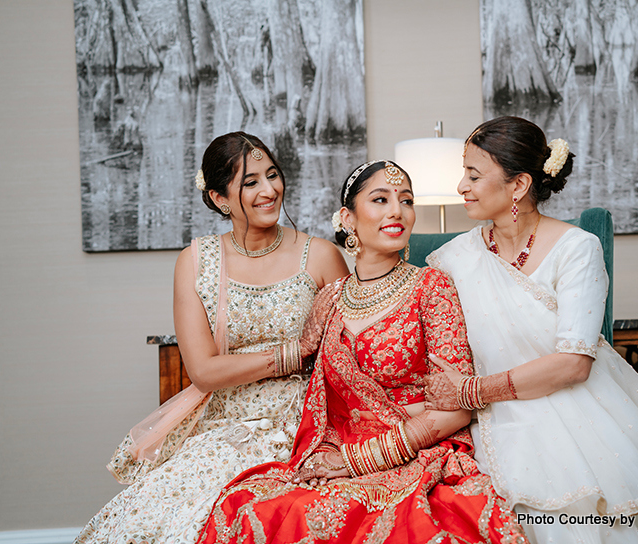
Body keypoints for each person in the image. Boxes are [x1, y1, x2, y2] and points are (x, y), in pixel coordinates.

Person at [193, 160, 529, 544]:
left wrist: (355, 462)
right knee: (248, 506)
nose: (396, 212)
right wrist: (323, 459)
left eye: (406, 200)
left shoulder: (432, 288)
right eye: (380, 199)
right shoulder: (330, 300)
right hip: (339, 454)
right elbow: (322, 400)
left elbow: (453, 408)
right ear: (347, 218)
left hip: (414, 453)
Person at [425, 116, 638, 544]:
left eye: (473, 175)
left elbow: (574, 364)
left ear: (518, 185)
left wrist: (472, 391)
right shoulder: (453, 258)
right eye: (463, 173)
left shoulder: (576, 249)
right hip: (483, 417)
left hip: (570, 410)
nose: (461, 186)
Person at [76, 132, 349, 544]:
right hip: (229, 423)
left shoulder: (322, 255)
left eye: (272, 175)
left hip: (306, 420)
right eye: (250, 182)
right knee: (157, 519)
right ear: (221, 199)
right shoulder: (195, 261)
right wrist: (296, 352)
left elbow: (352, 350)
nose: (269, 190)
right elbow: (204, 371)